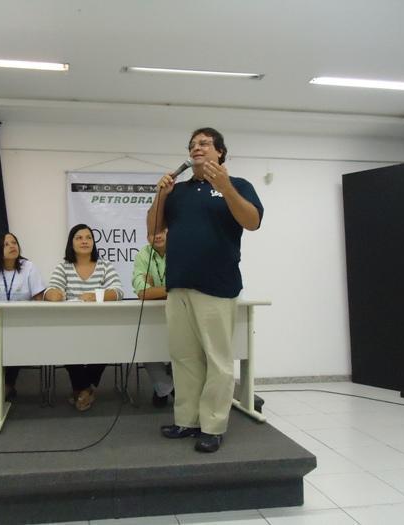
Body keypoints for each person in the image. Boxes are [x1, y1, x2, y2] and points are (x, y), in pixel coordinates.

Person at [147, 127, 264, 453]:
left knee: (217, 360)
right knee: (184, 358)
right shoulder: (179, 191)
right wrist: (161, 195)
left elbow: (252, 221)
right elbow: (153, 230)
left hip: (217, 286)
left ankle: (212, 425)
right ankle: (187, 420)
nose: (196, 148)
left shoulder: (238, 185)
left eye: (204, 143)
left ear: (220, 152)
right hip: (178, 286)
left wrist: (225, 188)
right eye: (192, 145)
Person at [44, 223, 124, 411]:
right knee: (65, 345)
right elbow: (50, 291)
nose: (84, 241)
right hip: (70, 327)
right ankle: (85, 389)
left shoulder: (104, 266)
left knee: (109, 345)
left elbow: (118, 292)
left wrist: (96, 295)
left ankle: (81, 389)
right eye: (79, 238)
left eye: (88, 237)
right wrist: (54, 294)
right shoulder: (64, 267)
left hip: (101, 326)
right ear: (71, 243)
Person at [0, 232, 45, 400]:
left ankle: (7, 385)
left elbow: (39, 300)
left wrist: (19, 317)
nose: (12, 246)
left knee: (15, 334)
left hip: (22, 319)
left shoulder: (29, 267)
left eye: (14, 243)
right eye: (6, 244)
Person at [131, 229, 175, 407]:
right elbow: (142, 291)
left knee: (185, 351)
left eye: (161, 231)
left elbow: (190, 285)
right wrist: (173, 288)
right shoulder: (143, 255)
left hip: (182, 312)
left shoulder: (182, 250)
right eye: (151, 233)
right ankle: (167, 388)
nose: (157, 236)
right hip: (152, 317)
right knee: (145, 349)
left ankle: (164, 389)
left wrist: (154, 289)